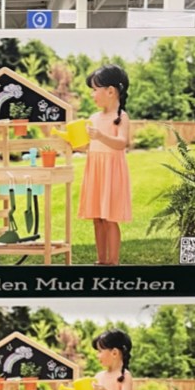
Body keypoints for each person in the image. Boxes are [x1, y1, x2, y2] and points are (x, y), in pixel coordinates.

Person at [78, 64, 132, 266]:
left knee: (110, 218)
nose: (92, 94)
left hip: (112, 170)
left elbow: (121, 143)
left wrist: (101, 135)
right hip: (96, 169)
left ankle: (113, 261)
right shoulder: (93, 118)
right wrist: (75, 142)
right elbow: (88, 145)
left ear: (110, 91)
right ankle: (101, 260)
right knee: (97, 217)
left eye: (94, 89)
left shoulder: (121, 117)